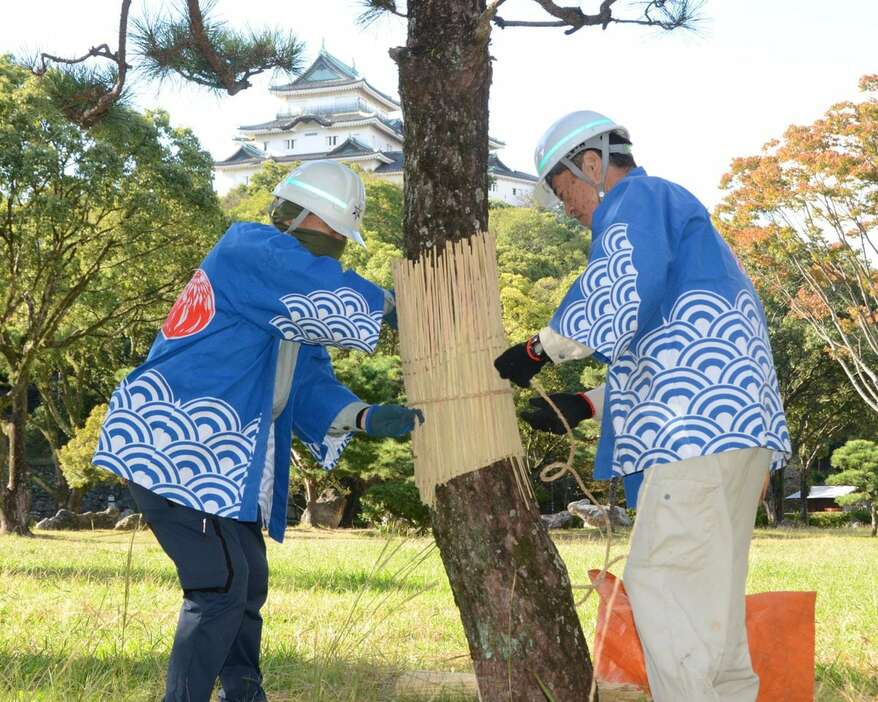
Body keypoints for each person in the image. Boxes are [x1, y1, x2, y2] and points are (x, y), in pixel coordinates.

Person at [93, 160, 424, 702]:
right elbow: (310, 282)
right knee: (219, 586)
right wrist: (394, 306)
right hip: (176, 446)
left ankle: (245, 694)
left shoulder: (284, 304)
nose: (340, 245)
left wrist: (364, 415)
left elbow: (310, 381)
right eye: (337, 233)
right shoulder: (246, 250)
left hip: (217, 461)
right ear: (304, 220)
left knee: (246, 579)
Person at [494, 111, 791, 702]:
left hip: (695, 441)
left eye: (562, 192)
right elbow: (683, 358)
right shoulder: (689, 232)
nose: (567, 209)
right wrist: (583, 403)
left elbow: (619, 288)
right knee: (712, 609)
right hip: (730, 435)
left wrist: (539, 348)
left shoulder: (638, 199)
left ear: (592, 164)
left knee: (667, 588)